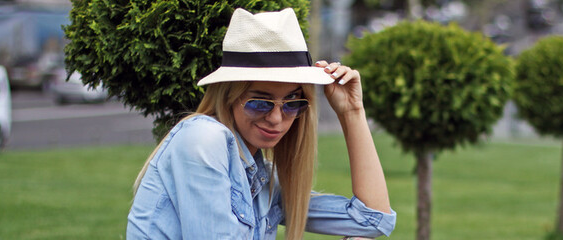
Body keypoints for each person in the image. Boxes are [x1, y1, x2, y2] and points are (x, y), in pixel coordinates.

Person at [126, 8, 396, 240]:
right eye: (260, 102)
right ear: (229, 95)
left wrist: (352, 112)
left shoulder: (260, 177)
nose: (277, 118)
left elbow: (372, 220)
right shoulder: (202, 139)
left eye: (292, 103)